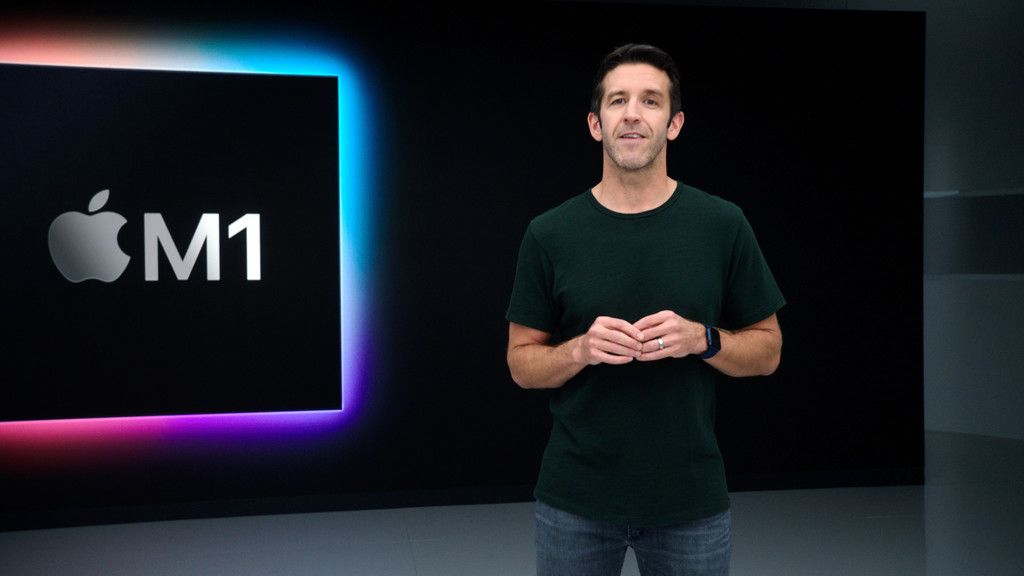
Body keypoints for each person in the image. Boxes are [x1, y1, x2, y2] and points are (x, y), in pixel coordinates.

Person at [505, 43, 786, 576]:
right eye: (617, 100)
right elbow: (521, 363)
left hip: (690, 501)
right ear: (595, 124)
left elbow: (769, 351)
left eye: (651, 101)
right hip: (575, 501)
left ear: (674, 124)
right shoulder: (549, 233)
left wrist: (704, 339)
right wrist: (580, 350)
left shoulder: (722, 224)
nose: (632, 113)